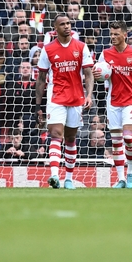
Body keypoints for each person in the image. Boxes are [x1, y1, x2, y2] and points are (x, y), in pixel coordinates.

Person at [35, 14, 94, 190]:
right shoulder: (48, 49)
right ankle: (54, 175)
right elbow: (41, 78)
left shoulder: (81, 47)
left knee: (70, 138)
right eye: (62, 24)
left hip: (76, 98)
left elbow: (89, 74)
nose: (67, 26)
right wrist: (38, 105)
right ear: (56, 28)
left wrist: (89, 95)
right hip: (56, 97)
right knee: (55, 134)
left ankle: (68, 178)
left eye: (68, 23)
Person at [94, 21, 132, 188]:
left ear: (125, 35)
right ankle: (121, 179)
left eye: (116, 34)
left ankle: (130, 172)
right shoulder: (104, 54)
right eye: (111, 34)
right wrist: (98, 75)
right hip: (113, 102)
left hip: (131, 101)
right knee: (117, 142)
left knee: (129, 138)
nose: (113, 37)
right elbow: (99, 73)